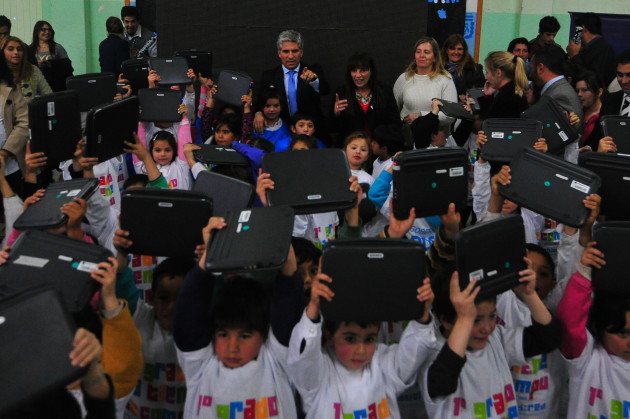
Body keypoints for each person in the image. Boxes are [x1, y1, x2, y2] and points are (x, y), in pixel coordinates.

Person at [173, 218, 303, 418]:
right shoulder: (200, 367)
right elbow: (190, 306)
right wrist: (211, 254)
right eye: (223, 334)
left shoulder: (278, 363)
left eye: (244, 336)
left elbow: (288, 299)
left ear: (264, 335)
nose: (232, 347)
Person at [287, 269, 435, 418]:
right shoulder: (318, 373)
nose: (361, 350)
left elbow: (412, 355)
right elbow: (302, 357)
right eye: (351, 339)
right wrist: (314, 306)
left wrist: (422, 315)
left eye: (369, 339)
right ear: (329, 336)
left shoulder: (382, 363)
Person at [419, 267, 561, 418]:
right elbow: (442, 380)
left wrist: (529, 296)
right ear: (446, 321)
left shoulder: (497, 339)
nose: (486, 328)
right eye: (475, 320)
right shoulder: (434, 356)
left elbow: (549, 338)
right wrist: (465, 318)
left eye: (492, 316)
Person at [557, 233, 630, 417]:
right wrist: (584, 273)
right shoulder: (586, 361)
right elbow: (570, 323)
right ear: (599, 329)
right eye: (622, 333)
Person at [255, 30, 330, 141]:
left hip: (310, 134)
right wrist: (258, 113)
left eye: (295, 51)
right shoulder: (269, 76)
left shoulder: (313, 70)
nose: (290, 56)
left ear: (301, 52)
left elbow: (325, 89)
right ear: (279, 53)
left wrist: (314, 79)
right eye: (286, 51)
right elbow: (260, 100)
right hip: (281, 133)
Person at [330, 52, 399, 144]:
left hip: (379, 149)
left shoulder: (384, 91)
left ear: (371, 71)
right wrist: (336, 115)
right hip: (351, 150)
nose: (358, 75)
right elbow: (333, 129)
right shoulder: (341, 93)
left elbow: (395, 124)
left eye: (363, 70)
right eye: (354, 71)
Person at [393, 36, 457, 133]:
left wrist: (421, 116)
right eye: (418, 52)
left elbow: (450, 115)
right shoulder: (404, 78)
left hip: (435, 138)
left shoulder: (445, 80)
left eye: (426, 52)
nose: (421, 55)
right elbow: (393, 111)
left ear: (435, 57)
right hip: (407, 137)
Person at [530, 44, 583, 162]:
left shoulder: (560, 95)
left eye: (532, 67)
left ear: (540, 68)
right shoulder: (555, 90)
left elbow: (560, 139)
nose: (530, 72)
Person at [0, 51, 28, 194]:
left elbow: (24, 122)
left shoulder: (10, 88)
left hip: (10, 166)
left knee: (14, 209)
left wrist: (5, 153)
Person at [567, 12, 616, 87]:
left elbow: (594, 80)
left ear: (583, 29)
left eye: (577, 30)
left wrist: (575, 56)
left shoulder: (603, 49)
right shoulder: (585, 48)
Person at [477, 51, 529, 119]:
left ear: (498, 73)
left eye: (487, 72)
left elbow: (488, 124)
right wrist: (488, 95)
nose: (486, 77)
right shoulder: (512, 91)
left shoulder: (507, 98)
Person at [2, 36, 51, 101]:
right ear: (2, 52)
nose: (16, 52)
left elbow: (49, 96)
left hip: (32, 110)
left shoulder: (33, 69)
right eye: (10, 49)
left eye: (19, 49)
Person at [29, 20, 73, 91]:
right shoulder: (30, 49)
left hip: (55, 85)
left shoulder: (58, 47)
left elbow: (67, 66)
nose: (47, 32)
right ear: (37, 31)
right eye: (43, 30)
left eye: (49, 30)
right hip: (35, 85)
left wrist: (50, 64)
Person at [575, 71, 605, 151]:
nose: (579, 94)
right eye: (577, 90)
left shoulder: (604, 115)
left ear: (599, 92)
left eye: (585, 90)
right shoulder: (577, 112)